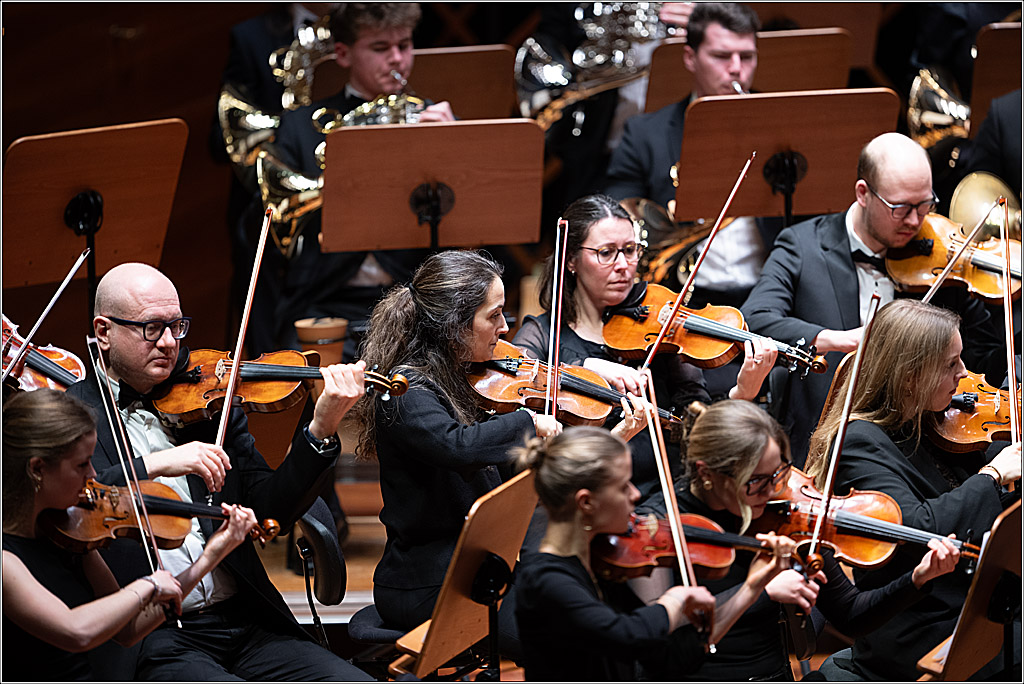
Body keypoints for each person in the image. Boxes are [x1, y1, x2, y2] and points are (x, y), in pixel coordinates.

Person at [65, 262, 372, 681]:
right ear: (104, 332)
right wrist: (154, 464)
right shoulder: (71, 414)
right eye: (152, 328)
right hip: (154, 635)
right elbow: (76, 499)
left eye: (177, 325)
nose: (170, 343)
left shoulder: (209, 406)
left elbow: (271, 510)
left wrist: (321, 428)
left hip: (246, 620)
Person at [355, 249, 654, 656]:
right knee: (572, 641)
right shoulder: (406, 391)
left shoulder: (469, 376)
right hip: (432, 582)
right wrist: (528, 422)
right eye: (493, 315)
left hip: (489, 566)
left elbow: (532, 476)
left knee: (603, 613)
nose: (504, 327)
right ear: (454, 326)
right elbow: (457, 446)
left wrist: (617, 432)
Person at [640, 398, 963, 680]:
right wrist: (762, 592)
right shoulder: (659, 527)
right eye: (755, 482)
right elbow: (661, 651)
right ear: (707, 473)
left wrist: (917, 579)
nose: (772, 492)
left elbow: (851, 615)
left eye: (779, 473)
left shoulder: (784, 518)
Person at [742, 131, 1005, 467]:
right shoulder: (801, 246)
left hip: (920, 450)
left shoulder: (941, 258)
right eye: (901, 208)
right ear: (863, 194)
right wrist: (840, 340)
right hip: (818, 440)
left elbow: (985, 353)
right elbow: (757, 318)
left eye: (925, 204)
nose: (916, 220)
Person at [805, 299, 1021, 681]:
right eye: (951, 364)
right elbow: (914, 527)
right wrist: (991, 475)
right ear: (909, 376)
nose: (964, 373)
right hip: (924, 628)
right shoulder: (858, 441)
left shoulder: (926, 420)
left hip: (978, 602)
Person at [513, 193, 777, 498]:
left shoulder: (659, 325)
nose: (623, 265)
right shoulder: (544, 335)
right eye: (606, 253)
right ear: (571, 259)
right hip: (586, 501)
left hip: (667, 495)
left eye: (630, 250)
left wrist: (742, 394)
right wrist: (584, 368)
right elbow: (520, 388)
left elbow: (700, 430)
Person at [2, 389, 258, 682]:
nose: (94, 475)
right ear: (37, 469)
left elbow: (128, 631)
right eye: (82, 464)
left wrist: (212, 556)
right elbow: (76, 631)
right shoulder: (6, 559)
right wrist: (147, 586)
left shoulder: (68, 529)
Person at [244, 2, 453, 358]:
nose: (397, 59)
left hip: (412, 297)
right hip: (324, 300)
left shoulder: (437, 120)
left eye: (404, 45)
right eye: (380, 48)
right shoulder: (303, 126)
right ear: (343, 54)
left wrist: (453, 146)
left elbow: (465, 221)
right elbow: (274, 217)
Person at [513, 425, 796, 680]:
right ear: (586, 502)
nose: (636, 495)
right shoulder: (544, 580)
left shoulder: (600, 565)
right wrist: (672, 604)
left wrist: (752, 586)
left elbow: (671, 659)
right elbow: (626, 636)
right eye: (624, 486)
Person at [604, 2, 782, 313]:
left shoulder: (783, 127)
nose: (737, 68)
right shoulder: (645, 133)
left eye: (747, 56)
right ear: (690, 58)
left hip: (768, 300)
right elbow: (617, 215)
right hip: (680, 303)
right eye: (721, 56)